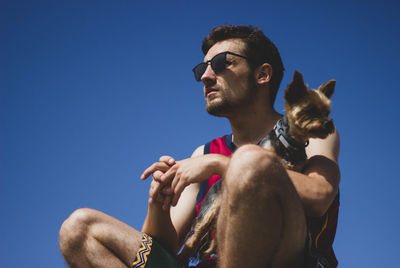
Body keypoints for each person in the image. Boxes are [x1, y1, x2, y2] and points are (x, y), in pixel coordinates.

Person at [59, 25, 340, 268]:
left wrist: (223, 165)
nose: (205, 76)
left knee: (251, 160)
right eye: (201, 69)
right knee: (80, 229)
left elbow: (320, 197)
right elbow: (166, 246)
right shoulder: (202, 154)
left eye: (220, 63)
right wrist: (158, 203)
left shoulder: (308, 130)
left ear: (262, 74)